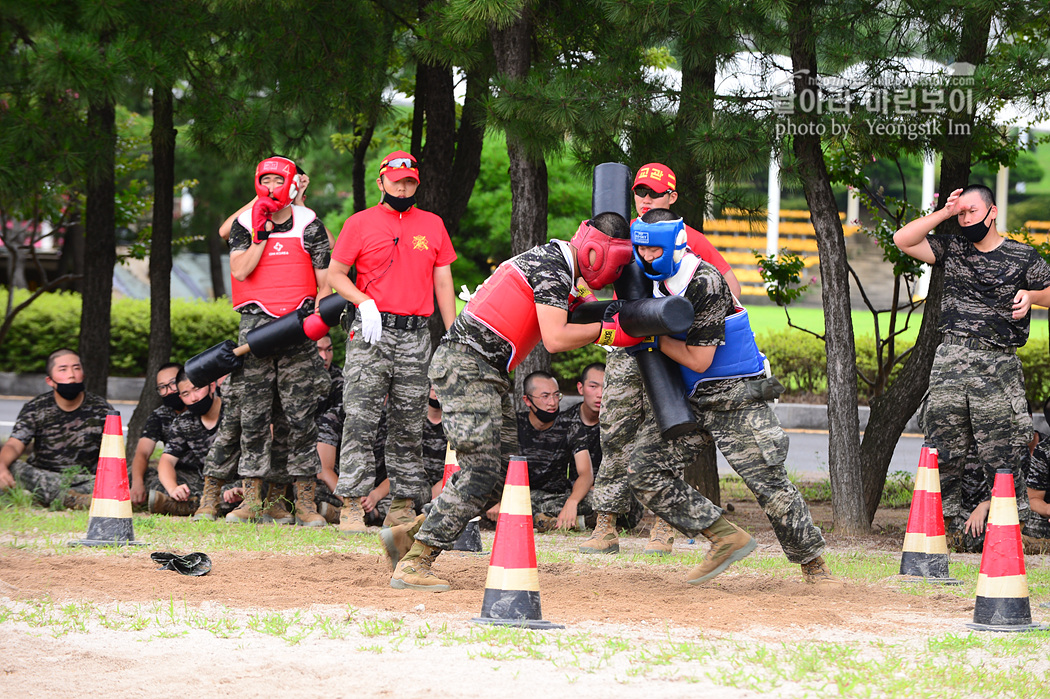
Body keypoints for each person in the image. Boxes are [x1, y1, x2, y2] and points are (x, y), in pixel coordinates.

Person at [381, 211, 636, 591]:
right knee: (481, 472)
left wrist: (598, 308)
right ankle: (415, 562)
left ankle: (408, 535)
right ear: (595, 250)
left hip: (487, 370)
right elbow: (555, 338)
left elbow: (583, 304)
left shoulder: (557, 264)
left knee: (505, 473)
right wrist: (609, 333)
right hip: (468, 366)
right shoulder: (552, 269)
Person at [623, 208, 838, 585]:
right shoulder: (642, 276)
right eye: (642, 252)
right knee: (643, 467)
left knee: (769, 484)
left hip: (734, 397)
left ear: (674, 243)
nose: (648, 259)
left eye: (655, 251)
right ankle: (722, 536)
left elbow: (700, 359)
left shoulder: (704, 281)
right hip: (687, 397)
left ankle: (814, 566)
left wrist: (648, 335)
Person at [580, 162, 740, 557]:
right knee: (614, 428)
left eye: (655, 193)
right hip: (628, 348)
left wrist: (704, 332)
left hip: (670, 351)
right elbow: (588, 271)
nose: (646, 199)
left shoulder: (688, 238)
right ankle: (606, 526)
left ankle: (662, 526)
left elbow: (728, 284)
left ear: (672, 197)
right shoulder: (619, 234)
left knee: (664, 431)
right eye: (641, 192)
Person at [893, 184, 1050, 548]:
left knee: (1004, 450)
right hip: (950, 360)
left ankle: (1004, 537)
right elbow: (904, 239)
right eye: (961, 213)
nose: (966, 219)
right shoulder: (953, 247)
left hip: (997, 365)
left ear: (992, 212)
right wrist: (944, 214)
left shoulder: (1022, 256)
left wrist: (1033, 296)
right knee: (943, 449)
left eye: (971, 212)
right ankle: (938, 536)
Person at [326, 150, 457, 534]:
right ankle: (351, 502)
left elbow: (443, 280)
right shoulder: (360, 223)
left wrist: (451, 333)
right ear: (381, 182)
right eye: (397, 180)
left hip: (416, 334)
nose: (403, 186)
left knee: (409, 421)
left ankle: (401, 504)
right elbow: (336, 274)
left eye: (410, 181)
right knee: (361, 417)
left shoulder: (431, 224)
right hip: (371, 332)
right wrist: (362, 300)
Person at [224, 155, 332, 527]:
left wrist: (318, 322)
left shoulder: (309, 224)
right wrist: (260, 234)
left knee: (299, 416)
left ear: (291, 184)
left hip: (298, 326)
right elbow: (240, 269)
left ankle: (302, 502)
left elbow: (325, 280)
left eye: (277, 180)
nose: (270, 187)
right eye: (264, 180)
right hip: (255, 327)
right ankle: (251, 500)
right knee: (252, 415)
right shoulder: (243, 224)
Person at [0, 349, 114, 508]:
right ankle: (73, 499)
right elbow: (14, 444)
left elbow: (113, 454)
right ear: (50, 380)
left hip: (86, 479)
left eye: (76, 368)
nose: (72, 374)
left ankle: (49, 497)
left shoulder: (102, 409)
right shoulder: (35, 408)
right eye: (63, 369)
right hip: (42, 476)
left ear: (83, 375)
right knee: (13, 467)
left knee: (118, 479)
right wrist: (1, 466)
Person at [515, 371, 595, 531]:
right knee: (511, 503)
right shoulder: (514, 426)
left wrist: (572, 502)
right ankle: (574, 522)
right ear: (527, 400)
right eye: (545, 396)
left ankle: (545, 521)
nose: (552, 402)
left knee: (601, 498)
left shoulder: (570, 425)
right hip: (519, 496)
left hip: (556, 497)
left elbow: (586, 473)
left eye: (556, 395)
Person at [147, 370, 226, 517]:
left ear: (212, 386)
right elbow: (167, 460)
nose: (193, 398)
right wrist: (173, 489)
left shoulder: (234, 413)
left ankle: (190, 505)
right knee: (158, 485)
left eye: (197, 389)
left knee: (243, 492)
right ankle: (203, 503)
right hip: (206, 482)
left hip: (238, 480)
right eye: (186, 394)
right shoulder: (184, 421)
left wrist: (244, 486)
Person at [129, 362, 185, 506]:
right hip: (175, 472)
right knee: (132, 475)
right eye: (162, 387)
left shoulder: (200, 408)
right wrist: (137, 484)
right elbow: (142, 453)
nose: (169, 391)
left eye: (173, 384)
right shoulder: (160, 415)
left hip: (206, 472)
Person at [314, 333, 345, 524]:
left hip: (333, 456)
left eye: (329, 350)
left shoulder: (340, 381)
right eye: (318, 350)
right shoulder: (295, 381)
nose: (324, 357)